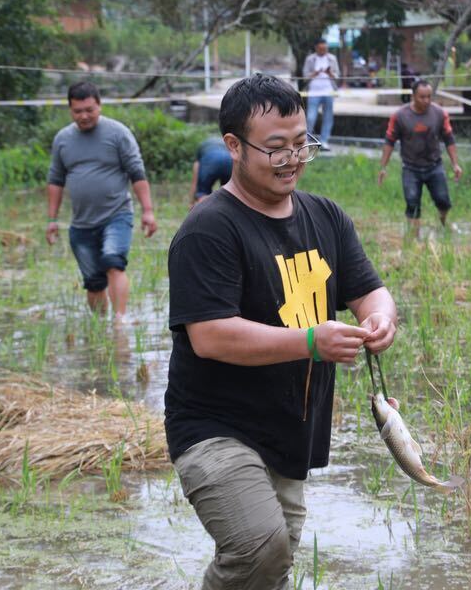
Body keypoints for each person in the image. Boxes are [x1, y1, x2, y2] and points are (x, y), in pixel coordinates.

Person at [164, 74, 398, 590]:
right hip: (215, 426)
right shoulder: (209, 229)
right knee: (259, 547)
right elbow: (210, 335)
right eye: (276, 149)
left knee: (272, 567)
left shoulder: (325, 217)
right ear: (234, 146)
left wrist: (381, 318)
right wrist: (311, 341)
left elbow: (369, 290)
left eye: (301, 144)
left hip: (292, 428)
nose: (293, 159)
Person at [46, 81, 157, 321]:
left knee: (113, 261)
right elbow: (55, 180)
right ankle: (99, 328)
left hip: (117, 214)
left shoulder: (118, 133)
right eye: (78, 111)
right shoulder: (63, 139)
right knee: (94, 282)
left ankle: (119, 322)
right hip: (81, 222)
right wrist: (52, 219)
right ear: (70, 110)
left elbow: (137, 173)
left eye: (89, 109)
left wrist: (148, 211)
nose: (84, 115)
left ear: (99, 106)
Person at [378, 80, 463, 230]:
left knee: (443, 201)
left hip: (434, 166)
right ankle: (414, 238)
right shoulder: (400, 116)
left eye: (429, 96)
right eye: (422, 97)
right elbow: (389, 141)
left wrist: (455, 164)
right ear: (413, 96)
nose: (426, 101)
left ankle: (445, 223)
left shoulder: (439, 114)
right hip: (411, 168)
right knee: (412, 204)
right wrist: (383, 167)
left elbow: (449, 139)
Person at [302, 39, 340, 151]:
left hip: (328, 91)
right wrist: (315, 73)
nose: (323, 51)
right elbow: (304, 76)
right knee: (310, 117)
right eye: (321, 49)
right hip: (314, 92)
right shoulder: (310, 59)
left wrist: (330, 73)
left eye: (325, 49)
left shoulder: (332, 59)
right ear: (316, 48)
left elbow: (338, 76)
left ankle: (324, 141)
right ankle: (306, 141)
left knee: (328, 117)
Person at [189, 136, 233, 206]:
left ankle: (202, 214)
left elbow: (195, 175)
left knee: (203, 193)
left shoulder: (202, 145)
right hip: (229, 160)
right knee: (228, 193)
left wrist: (191, 201)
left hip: (210, 160)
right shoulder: (226, 143)